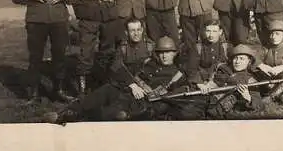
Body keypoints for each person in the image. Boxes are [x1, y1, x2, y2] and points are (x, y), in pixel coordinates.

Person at [44, 36, 187, 123]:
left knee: (115, 113)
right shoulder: (147, 62)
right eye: (161, 52)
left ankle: (87, 116)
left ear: (174, 53)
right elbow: (121, 71)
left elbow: (172, 100)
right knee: (106, 90)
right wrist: (132, 84)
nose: (164, 56)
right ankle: (65, 113)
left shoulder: (177, 75)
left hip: (141, 104)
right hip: (127, 91)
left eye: (168, 52)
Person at [11, 0, 76, 103]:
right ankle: (34, 93)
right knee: (35, 57)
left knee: (60, 56)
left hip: (59, 19)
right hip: (36, 20)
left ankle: (58, 90)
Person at [174, 44, 264, 120]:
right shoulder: (221, 67)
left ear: (249, 61)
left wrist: (248, 97)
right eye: (235, 58)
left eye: (242, 59)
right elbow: (199, 73)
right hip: (202, 96)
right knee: (179, 110)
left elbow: (259, 105)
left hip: (217, 106)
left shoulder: (250, 80)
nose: (237, 62)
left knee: (186, 115)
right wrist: (200, 84)